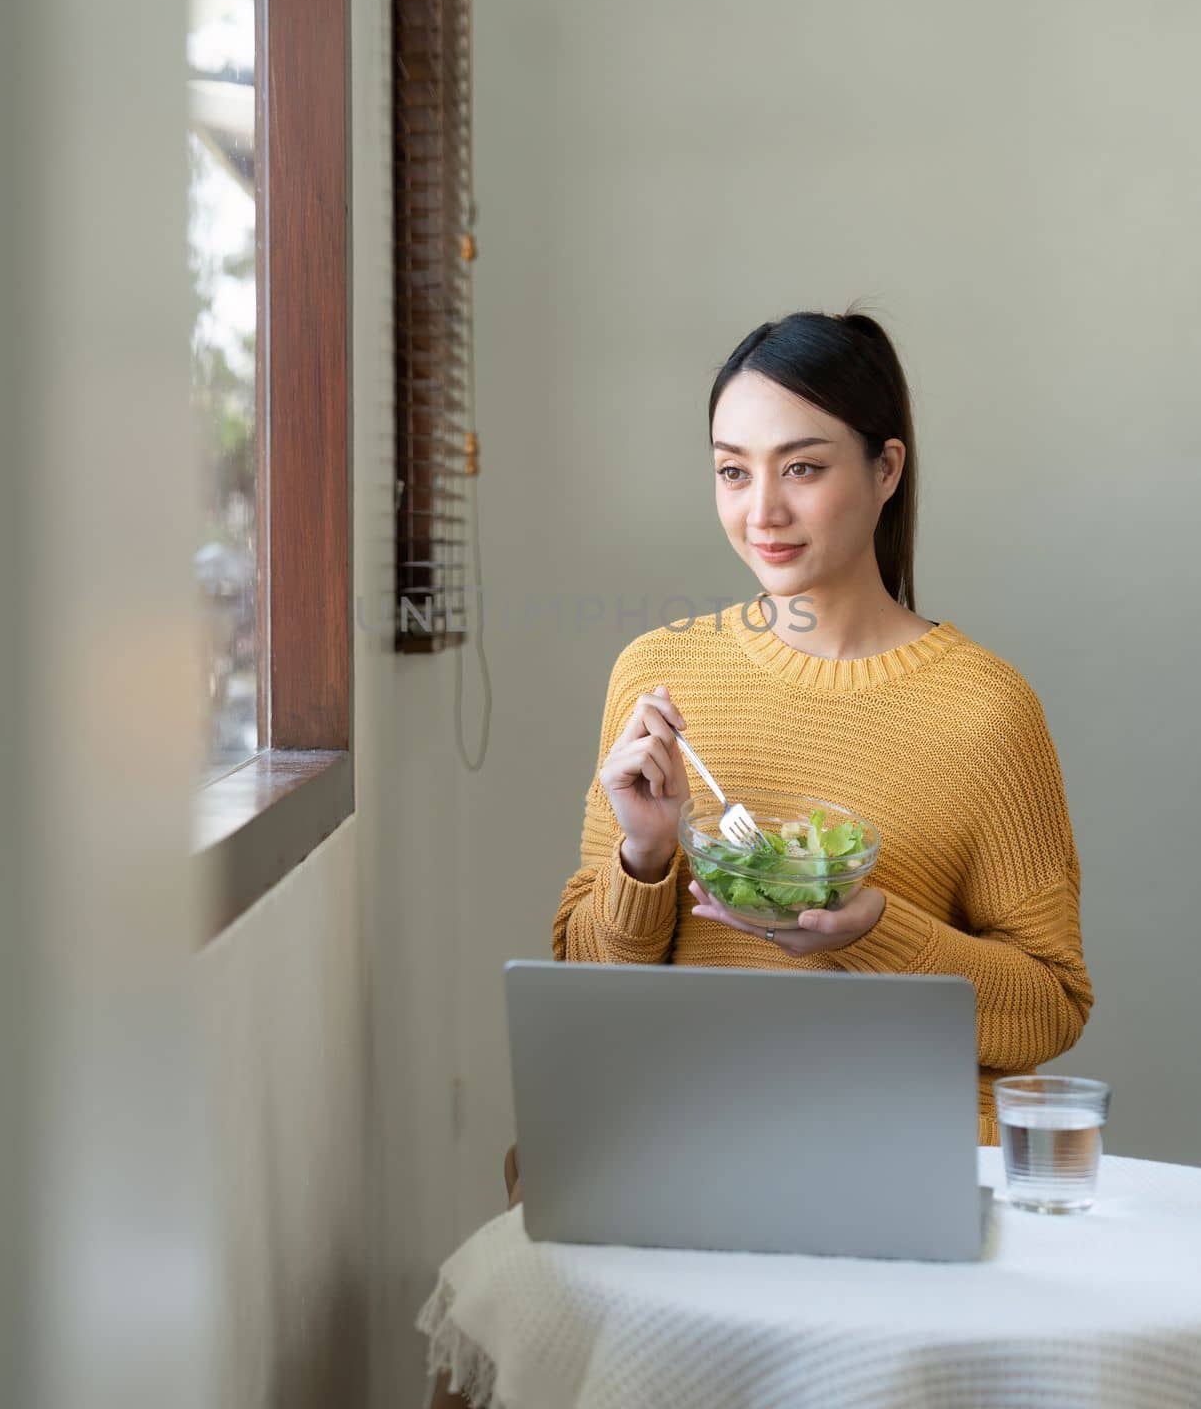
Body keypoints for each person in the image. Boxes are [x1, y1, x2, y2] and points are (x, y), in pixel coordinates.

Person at [429, 308, 1093, 1409]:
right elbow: (592, 995)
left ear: (887, 470)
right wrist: (644, 853)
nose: (761, 511)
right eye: (733, 471)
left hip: (908, 1184)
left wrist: (874, 930)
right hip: (681, 1158)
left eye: (802, 468)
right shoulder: (660, 675)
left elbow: (1052, 1006)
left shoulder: (987, 712)